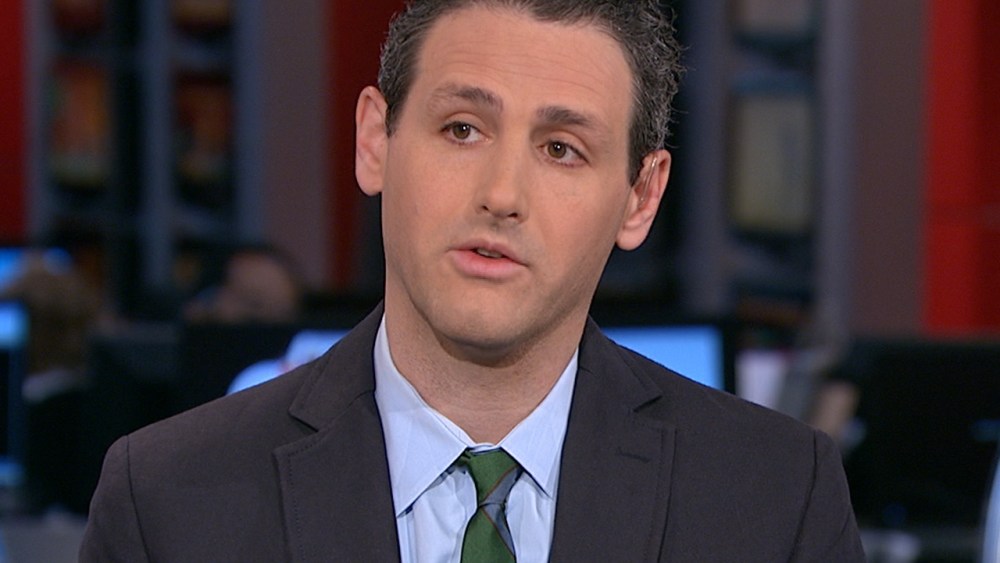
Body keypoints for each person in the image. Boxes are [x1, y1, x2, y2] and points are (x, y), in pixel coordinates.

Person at [80, 1, 865, 561]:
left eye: (561, 148)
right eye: (462, 129)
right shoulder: (169, 499)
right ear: (375, 142)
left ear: (641, 196)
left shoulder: (774, 497)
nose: (501, 193)